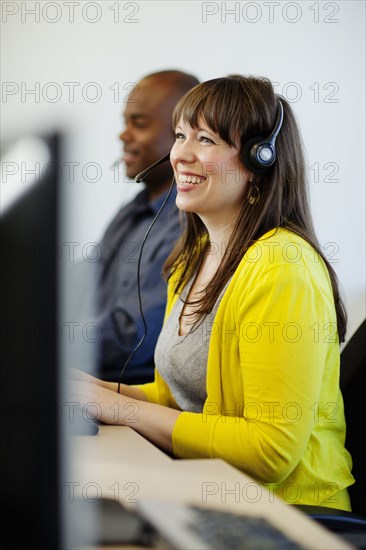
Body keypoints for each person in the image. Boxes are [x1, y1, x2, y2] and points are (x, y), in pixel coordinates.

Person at [70, 74, 355, 510]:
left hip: (287, 513)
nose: (180, 153)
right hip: (209, 491)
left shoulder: (282, 267)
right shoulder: (193, 255)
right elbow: (174, 399)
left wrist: (118, 409)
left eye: (205, 139)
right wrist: (91, 389)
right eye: (181, 135)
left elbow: (270, 450)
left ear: (260, 160)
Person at [96, 70, 200, 384]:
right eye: (125, 122)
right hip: (93, 382)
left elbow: (133, 336)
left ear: (182, 137)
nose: (123, 135)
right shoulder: (133, 210)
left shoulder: (191, 225)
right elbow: (81, 284)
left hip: (133, 394)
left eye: (139, 124)